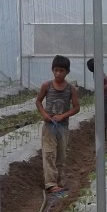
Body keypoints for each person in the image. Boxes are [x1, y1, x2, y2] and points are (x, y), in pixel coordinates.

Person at [36, 55, 80, 196]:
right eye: (56, 70)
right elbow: (38, 101)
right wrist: (44, 114)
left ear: (67, 72)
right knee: (49, 154)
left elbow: (76, 107)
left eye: (61, 70)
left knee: (61, 155)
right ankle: (51, 184)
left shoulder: (70, 89)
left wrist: (62, 116)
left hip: (62, 127)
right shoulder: (46, 86)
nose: (58, 73)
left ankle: (59, 181)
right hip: (49, 127)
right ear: (52, 70)